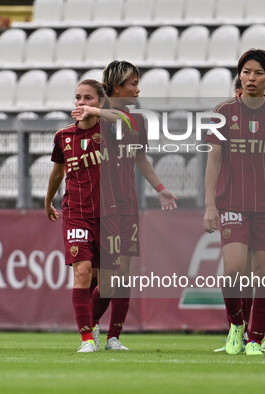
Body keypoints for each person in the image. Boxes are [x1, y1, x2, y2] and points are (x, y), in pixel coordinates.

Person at [203, 49, 265, 356]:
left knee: (263, 273)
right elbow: (212, 163)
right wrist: (210, 205)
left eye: (258, 73)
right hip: (233, 204)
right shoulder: (222, 111)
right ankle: (236, 325)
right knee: (233, 269)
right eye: (246, 72)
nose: (251, 78)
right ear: (239, 75)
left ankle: (253, 339)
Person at [72, 60, 178, 351]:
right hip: (102, 207)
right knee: (108, 275)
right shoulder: (98, 120)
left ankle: (113, 336)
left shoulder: (137, 121)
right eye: (132, 83)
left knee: (123, 272)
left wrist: (160, 189)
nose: (137, 88)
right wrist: (92, 110)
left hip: (127, 205)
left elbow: (140, 158)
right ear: (116, 86)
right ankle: (88, 327)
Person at [45, 79, 119, 353]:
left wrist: (96, 113)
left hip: (109, 215)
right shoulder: (63, 136)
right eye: (77, 98)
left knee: (111, 282)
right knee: (83, 273)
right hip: (76, 213)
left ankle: (94, 322)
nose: (80, 103)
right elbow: (56, 172)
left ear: (100, 102)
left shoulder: (111, 130)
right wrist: (47, 199)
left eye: (88, 98)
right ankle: (87, 338)